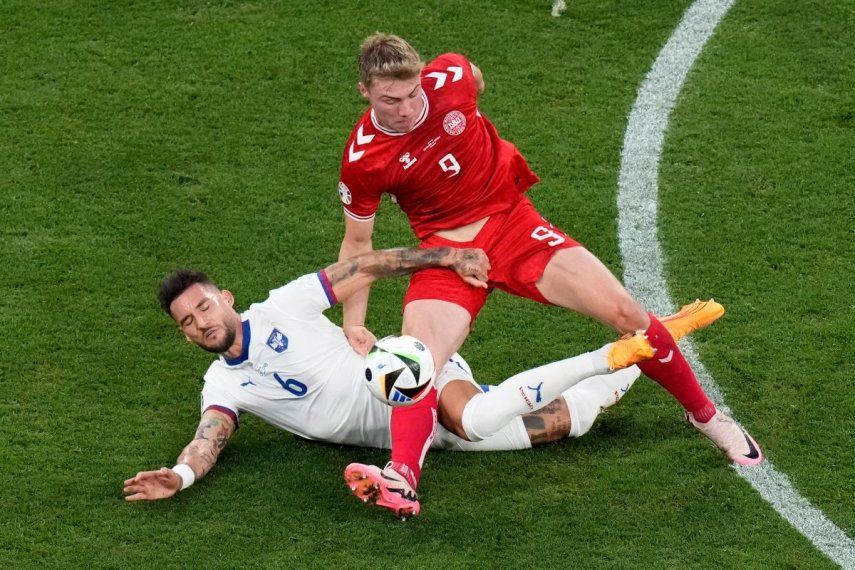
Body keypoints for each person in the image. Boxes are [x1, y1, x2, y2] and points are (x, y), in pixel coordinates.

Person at [336, 33, 762, 509]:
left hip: (514, 225)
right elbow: (358, 243)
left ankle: (705, 416)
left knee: (626, 312)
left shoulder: (452, 77)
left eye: (413, 93)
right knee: (416, 360)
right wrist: (353, 322)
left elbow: (475, 78)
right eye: (390, 100)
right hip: (448, 254)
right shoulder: (364, 158)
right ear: (365, 92)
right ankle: (402, 477)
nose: (406, 107)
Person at [122, 246, 710, 518]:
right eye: (189, 322)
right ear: (185, 334)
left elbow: (364, 267)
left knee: (469, 417)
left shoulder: (283, 306)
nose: (202, 323)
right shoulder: (222, 386)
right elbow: (209, 438)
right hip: (392, 438)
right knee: (557, 425)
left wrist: (442, 259)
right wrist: (178, 476)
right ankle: (647, 352)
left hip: (408, 374)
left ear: (225, 298)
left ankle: (621, 351)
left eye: (204, 307)